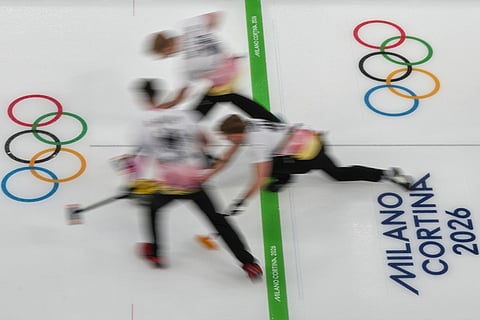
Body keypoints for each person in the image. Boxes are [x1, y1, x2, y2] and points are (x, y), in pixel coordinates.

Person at [127, 80, 263, 280]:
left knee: (152, 209)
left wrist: (134, 182)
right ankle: (248, 263)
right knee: (219, 222)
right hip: (195, 179)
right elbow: (205, 141)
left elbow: (137, 159)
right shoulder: (184, 115)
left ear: (142, 99)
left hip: (170, 183)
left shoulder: (142, 122)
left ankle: (155, 254)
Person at [198, 114, 413, 215]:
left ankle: (387, 174)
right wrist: (207, 174)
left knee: (335, 174)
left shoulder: (257, 143)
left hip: (309, 155)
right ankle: (388, 173)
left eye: (228, 137)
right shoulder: (249, 125)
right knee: (275, 163)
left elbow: (261, 177)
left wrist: (241, 201)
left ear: (236, 133)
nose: (228, 141)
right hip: (312, 138)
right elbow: (230, 153)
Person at [147, 11, 281, 123]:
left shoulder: (188, 66)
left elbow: (179, 99)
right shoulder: (189, 25)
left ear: (167, 48)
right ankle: (273, 121)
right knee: (218, 100)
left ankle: (273, 122)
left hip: (224, 80)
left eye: (165, 55)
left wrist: (156, 110)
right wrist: (211, 43)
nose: (167, 57)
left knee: (212, 104)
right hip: (232, 64)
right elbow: (215, 17)